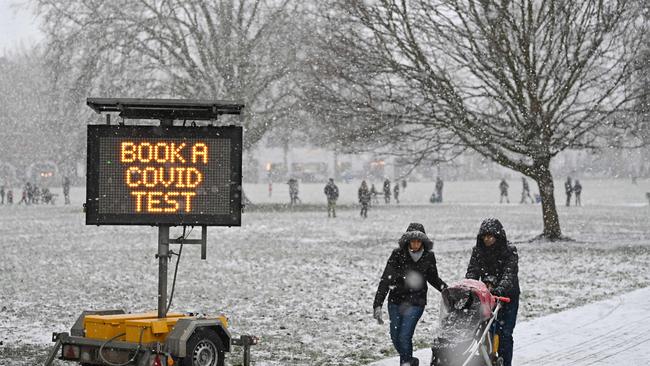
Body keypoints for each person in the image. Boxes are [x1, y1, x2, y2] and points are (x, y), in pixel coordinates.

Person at [374, 223, 448, 366]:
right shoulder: (397, 255)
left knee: (404, 336)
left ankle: (406, 363)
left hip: (416, 302)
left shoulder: (428, 257)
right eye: (412, 241)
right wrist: (377, 304)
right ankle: (410, 360)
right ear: (407, 241)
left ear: (423, 242)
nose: (415, 244)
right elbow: (386, 279)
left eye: (418, 241)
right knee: (395, 337)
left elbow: (433, 278)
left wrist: (446, 290)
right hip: (395, 301)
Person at [465, 218, 520, 366]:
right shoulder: (478, 252)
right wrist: (471, 287)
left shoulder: (509, 252)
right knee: (485, 333)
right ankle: (488, 361)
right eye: (484, 236)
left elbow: (509, 275)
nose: (487, 239)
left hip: (507, 297)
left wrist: (499, 290)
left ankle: (505, 361)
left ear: (497, 236)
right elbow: (473, 272)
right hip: (486, 298)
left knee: (505, 334)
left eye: (490, 236)